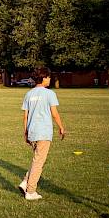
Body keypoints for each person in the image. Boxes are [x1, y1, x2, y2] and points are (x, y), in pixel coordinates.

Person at [18, 67, 65, 201]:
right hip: (44, 132)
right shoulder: (50, 94)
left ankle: (25, 182)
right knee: (39, 162)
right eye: (48, 77)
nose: (50, 79)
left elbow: (25, 116)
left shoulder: (29, 94)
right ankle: (30, 191)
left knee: (37, 159)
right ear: (44, 78)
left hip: (32, 132)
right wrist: (61, 127)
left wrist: (25, 132)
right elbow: (54, 113)